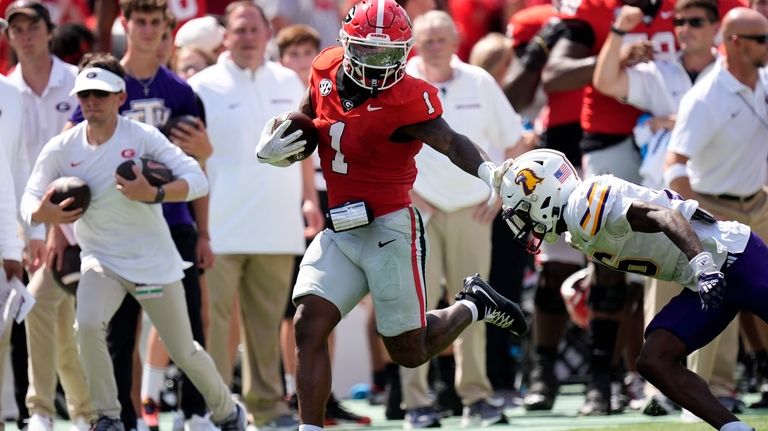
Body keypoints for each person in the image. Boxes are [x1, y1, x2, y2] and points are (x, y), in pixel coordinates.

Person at [254, 1, 528, 430]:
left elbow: (451, 141)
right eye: (368, 52)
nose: (379, 65)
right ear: (346, 46)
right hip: (339, 227)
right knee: (309, 322)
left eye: (388, 55)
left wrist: (489, 172)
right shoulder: (325, 67)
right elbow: (307, 117)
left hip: (390, 228)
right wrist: (278, 141)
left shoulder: (407, 98)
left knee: (408, 350)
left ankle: (474, 303)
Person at [20, 54, 247, 431]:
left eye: (101, 94)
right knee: (88, 325)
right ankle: (107, 416)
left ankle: (227, 411)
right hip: (100, 261)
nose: (92, 102)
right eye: (85, 95)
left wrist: (154, 193)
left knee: (184, 350)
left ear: (120, 97)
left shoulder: (143, 137)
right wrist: (45, 215)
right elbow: (30, 198)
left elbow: (198, 179)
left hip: (152, 262)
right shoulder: (63, 147)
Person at [499, 148, 762, 431]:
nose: (526, 224)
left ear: (543, 197)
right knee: (654, 360)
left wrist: (702, 265)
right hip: (704, 279)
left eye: (526, 212)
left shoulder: (583, 204)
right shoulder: (574, 220)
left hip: (734, 257)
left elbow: (665, 215)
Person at [188, 3, 324, 430]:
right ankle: (214, 409)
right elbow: (189, 157)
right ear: (225, 36)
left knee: (267, 326)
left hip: (277, 225)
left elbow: (303, 147)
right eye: (239, 29)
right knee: (214, 326)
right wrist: (199, 225)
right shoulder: (201, 85)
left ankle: (267, 408)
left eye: (254, 29)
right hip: (219, 228)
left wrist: (309, 199)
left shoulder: (290, 81)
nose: (247, 36)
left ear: (268, 33)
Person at [593, 0, 721, 414]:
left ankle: (720, 386)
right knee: (662, 289)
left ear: (716, 26)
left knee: (726, 288)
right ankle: (659, 392)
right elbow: (606, 79)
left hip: (725, 190)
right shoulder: (664, 72)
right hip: (670, 198)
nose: (685, 28)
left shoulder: (737, 72)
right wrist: (618, 31)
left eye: (696, 21)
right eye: (680, 21)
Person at [401, 10, 525, 428]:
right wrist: (411, 194)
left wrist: (500, 191)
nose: (434, 45)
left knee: (474, 306)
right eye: (426, 39)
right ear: (414, 42)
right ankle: (416, 404)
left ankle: (476, 399)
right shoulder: (401, 82)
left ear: (456, 40)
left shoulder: (480, 81)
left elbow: (514, 141)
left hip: (472, 210)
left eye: (441, 37)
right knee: (411, 310)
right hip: (417, 212)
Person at [664, 6, 768, 416]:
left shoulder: (762, 82)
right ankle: (715, 393)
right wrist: (704, 220)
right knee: (721, 305)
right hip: (714, 206)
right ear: (734, 43)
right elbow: (674, 165)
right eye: (762, 39)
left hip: (757, 203)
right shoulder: (705, 97)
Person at [4, 2, 95, 430]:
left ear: (48, 29)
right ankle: (55, 411)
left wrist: (55, 226)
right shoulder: (6, 89)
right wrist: (24, 231)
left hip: (87, 225)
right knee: (46, 319)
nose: (25, 35)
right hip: (27, 225)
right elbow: (14, 168)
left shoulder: (79, 82)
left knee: (75, 327)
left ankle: (69, 410)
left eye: (32, 26)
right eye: (15, 28)